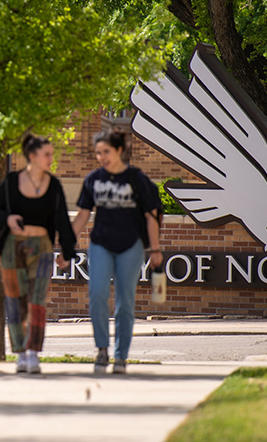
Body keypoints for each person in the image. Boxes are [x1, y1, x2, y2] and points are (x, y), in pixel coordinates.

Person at [68, 128, 163, 374]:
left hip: (130, 246)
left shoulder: (136, 179)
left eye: (106, 152)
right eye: (98, 153)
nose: (102, 157)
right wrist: (67, 244)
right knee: (97, 294)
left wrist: (155, 249)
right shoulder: (93, 180)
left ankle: (121, 356)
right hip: (100, 244)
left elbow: (151, 216)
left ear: (119, 150)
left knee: (125, 302)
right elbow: (82, 215)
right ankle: (102, 350)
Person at [0, 134, 76, 374]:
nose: (50, 158)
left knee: (37, 301)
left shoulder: (54, 185)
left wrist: (67, 251)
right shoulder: (11, 181)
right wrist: (7, 218)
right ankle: (21, 354)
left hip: (43, 248)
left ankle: (34, 353)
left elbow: (62, 220)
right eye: (46, 154)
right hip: (12, 248)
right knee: (15, 301)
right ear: (32, 156)